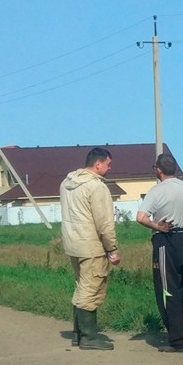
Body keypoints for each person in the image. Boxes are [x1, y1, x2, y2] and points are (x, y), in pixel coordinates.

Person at [136, 153, 183, 352]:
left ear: (158, 170)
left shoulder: (157, 191)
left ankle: (177, 340)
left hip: (165, 240)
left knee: (168, 290)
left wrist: (157, 225)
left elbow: (141, 217)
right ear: (175, 169)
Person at [59, 147, 120, 350]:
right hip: (91, 245)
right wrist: (112, 248)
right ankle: (89, 336)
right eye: (108, 165)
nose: (109, 169)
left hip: (73, 243)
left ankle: (78, 333)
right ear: (98, 164)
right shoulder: (96, 187)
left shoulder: (67, 183)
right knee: (92, 287)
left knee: (81, 285)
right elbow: (104, 223)